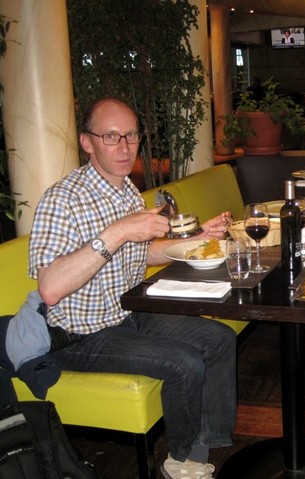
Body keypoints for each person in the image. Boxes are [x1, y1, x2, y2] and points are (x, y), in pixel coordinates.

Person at [29, 97, 237, 479]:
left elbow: (143, 255)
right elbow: (51, 288)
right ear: (86, 142)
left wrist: (195, 238)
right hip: (78, 336)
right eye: (111, 136)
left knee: (219, 337)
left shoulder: (125, 189)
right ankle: (180, 460)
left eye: (131, 135)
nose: (125, 146)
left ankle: (205, 443)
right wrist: (120, 230)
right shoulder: (64, 200)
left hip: (126, 314)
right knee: (184, 364)